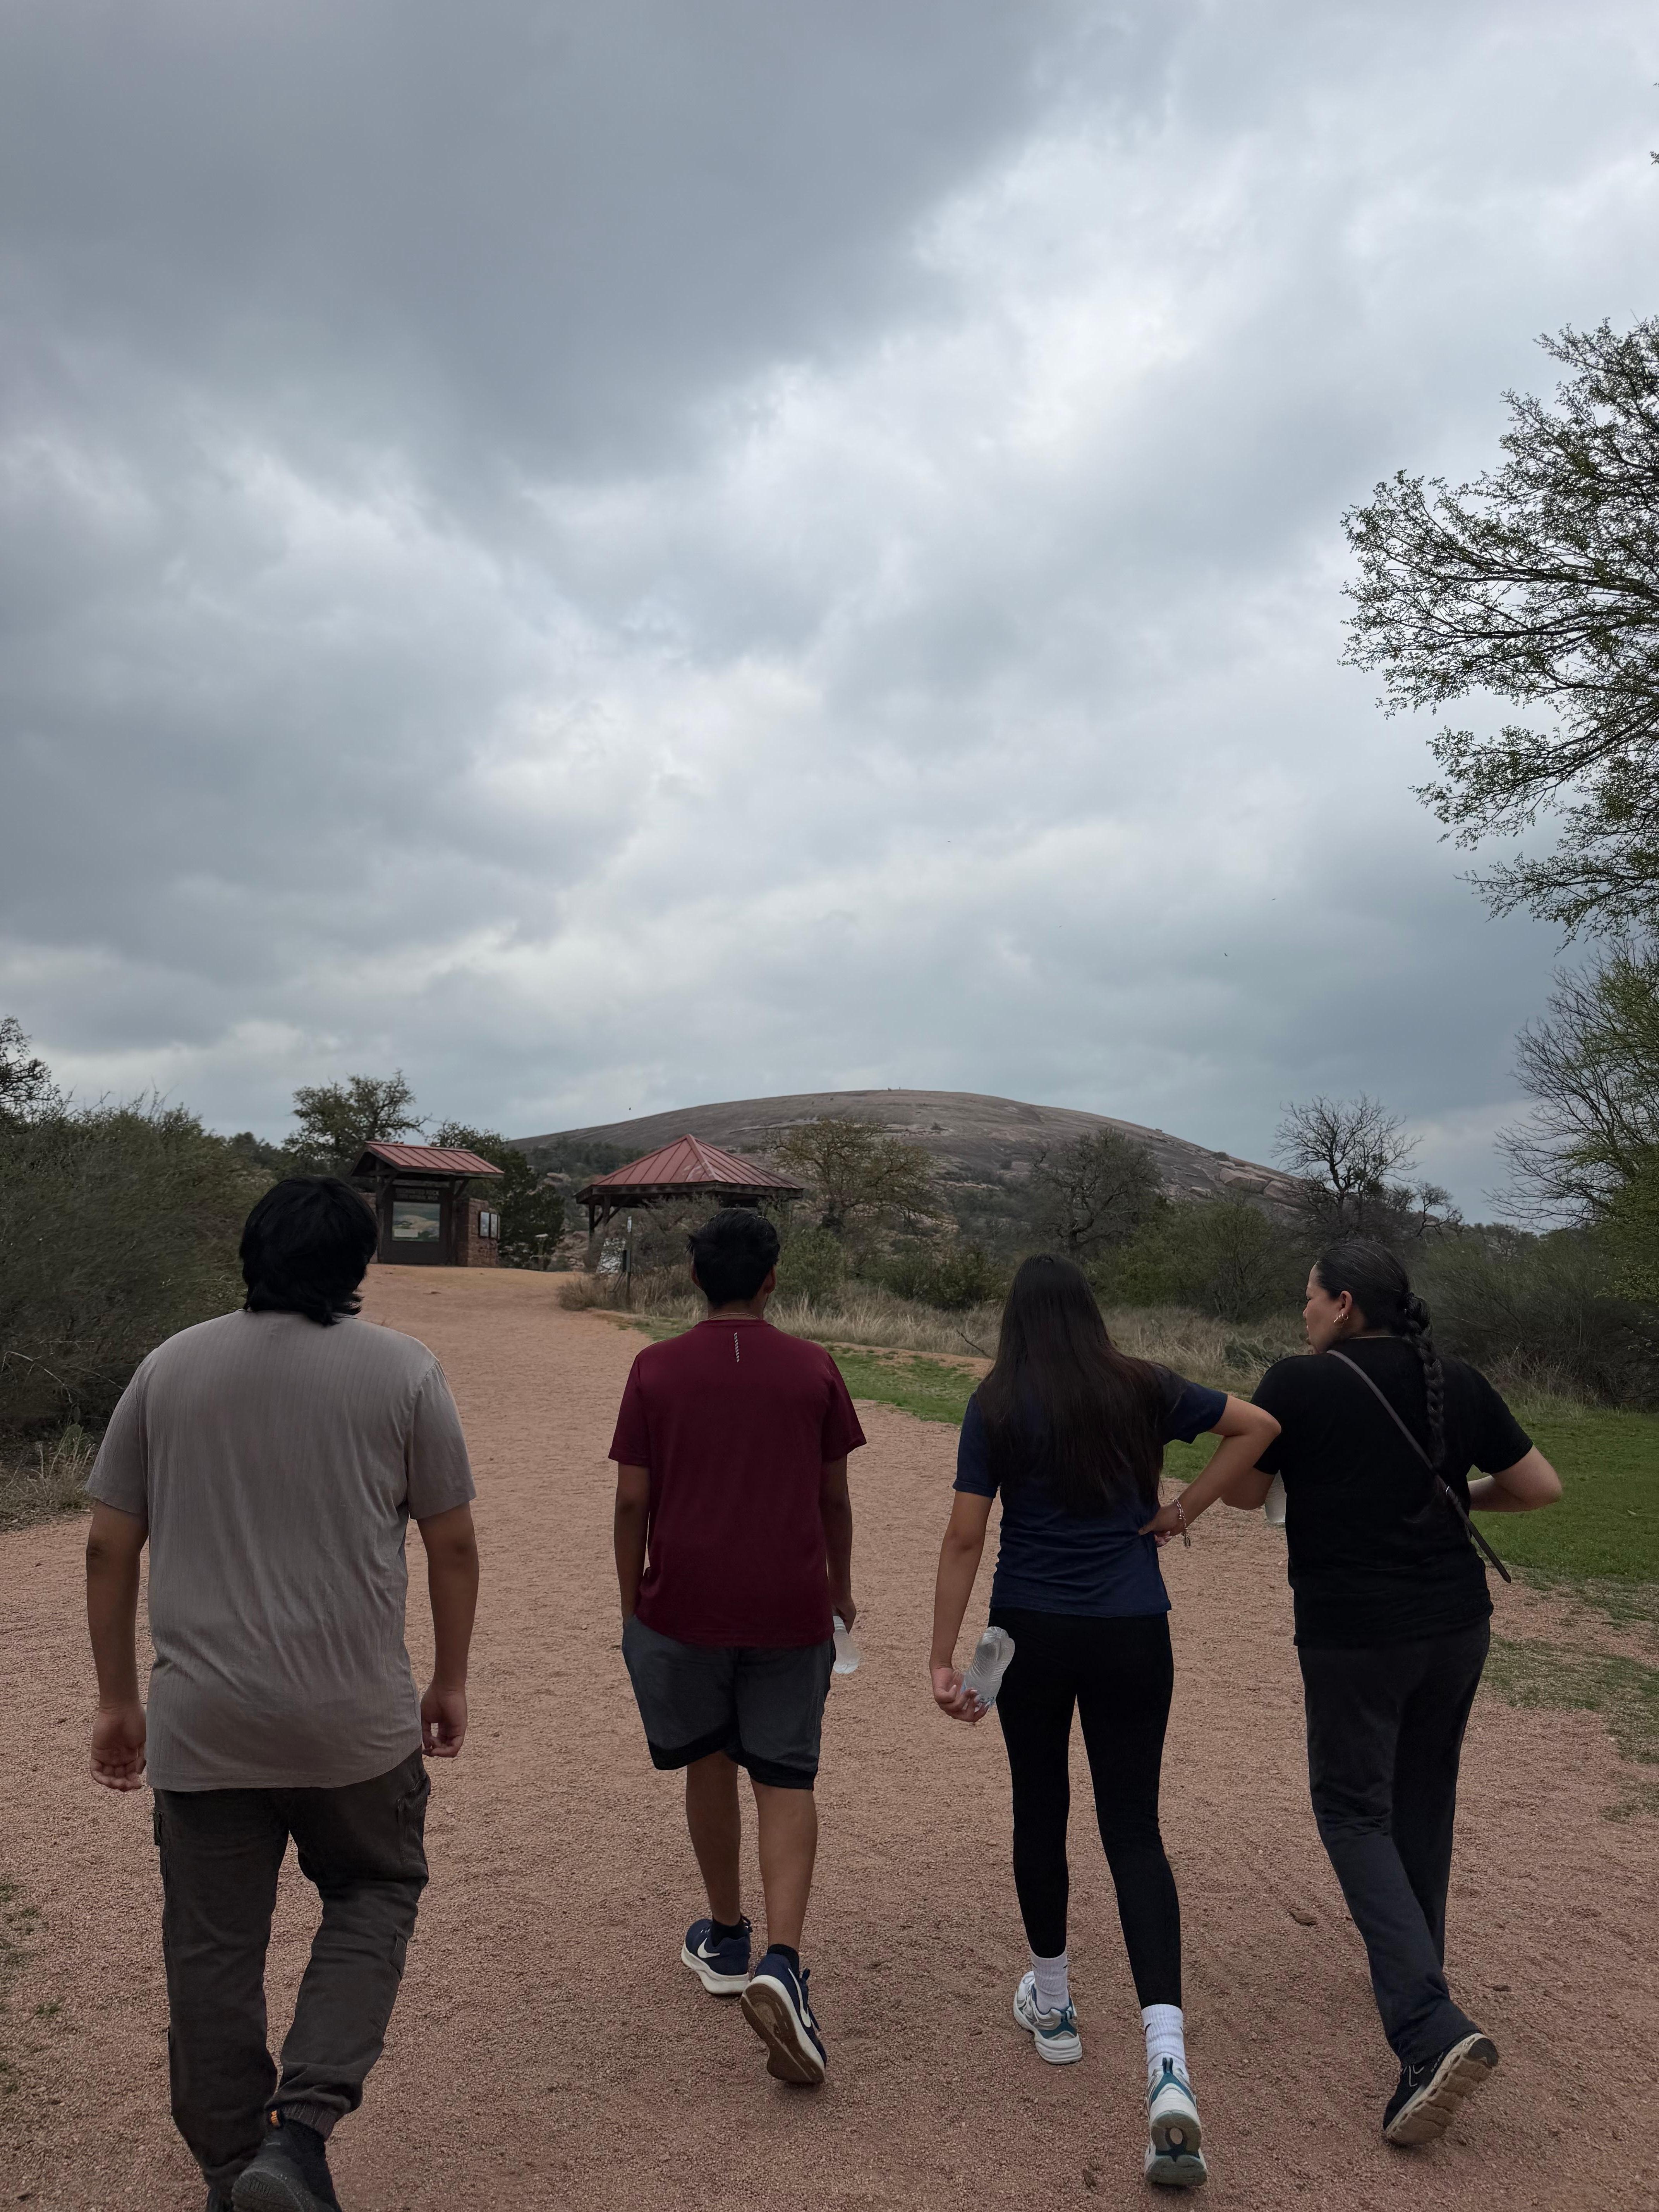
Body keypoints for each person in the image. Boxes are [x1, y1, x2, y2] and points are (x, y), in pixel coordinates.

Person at [84, 1177, 480, 2212]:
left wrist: (118, 1699)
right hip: (354, 1722)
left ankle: (228, 2171)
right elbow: (452, 1540)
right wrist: (447, 1677)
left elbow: (108, 1543)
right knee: (375, 1889)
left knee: (211, 1952)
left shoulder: (169, 1368)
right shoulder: (403, 1372)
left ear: (249, 1252)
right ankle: (296, 2137)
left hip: (203, 1725)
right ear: (359, 1265)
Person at [1147, 1238, 1561, 2149]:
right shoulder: (1456, 1377)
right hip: (1457, 1623)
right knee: (1422, 1796)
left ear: (1342, 1305)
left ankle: (1427, 2030)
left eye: (1309, 1298)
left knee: (1350, 1809)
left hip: (1353, 1630)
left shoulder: (1299, 1382)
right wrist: (1455, 1491)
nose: (1302, 1312)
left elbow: (1254, 1494)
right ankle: (1421, 1972)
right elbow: (1540, 1486)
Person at [929, 1255, 1280, 2190]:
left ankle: (1054, 2008)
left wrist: (942, 1653)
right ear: (1091, 1315)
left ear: (1015, 1320)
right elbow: (1259, 1426)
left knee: (1039, 1811)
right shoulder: (1143, 1388)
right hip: (1132, 1627)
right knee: (1135, 1830)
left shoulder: (995, 1402)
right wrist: (1183, 1509)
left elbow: (966, 1533)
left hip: (1032, 1629)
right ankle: (1167, 2062)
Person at [610, 1206, 864, 2088]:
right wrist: (839, 1589)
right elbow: (834, 1500)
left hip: (683, 1606)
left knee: (707, 1761)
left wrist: (630, 1602)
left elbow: (631, 1504)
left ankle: (725, 1937)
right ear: (772, 1280)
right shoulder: (816, 1369)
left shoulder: (654, 1370)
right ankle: (785, 1962)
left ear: (693, 1278)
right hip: (790, 1606)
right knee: (787, 1775)